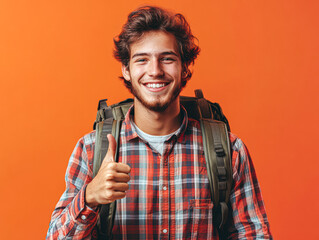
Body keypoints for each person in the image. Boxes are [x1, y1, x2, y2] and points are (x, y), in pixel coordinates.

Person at [46, 6, 272, 240]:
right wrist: (89, 197)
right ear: (126, 70)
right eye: (142, 60)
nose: (155, 71)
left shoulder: (228, 151)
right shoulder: (91, 150)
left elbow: (254, 235)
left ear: (185, 68)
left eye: (167, 59)